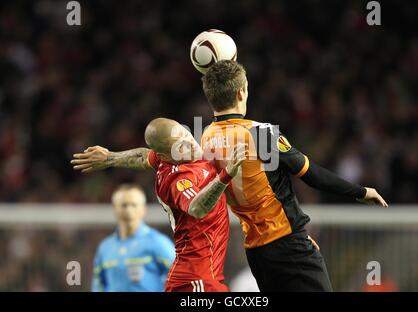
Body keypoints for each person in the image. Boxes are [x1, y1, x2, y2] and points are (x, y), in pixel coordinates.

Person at [200, 60, 389, 292]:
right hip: (286, 241)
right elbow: (311, 175)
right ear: (241, 92)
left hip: (257, 251)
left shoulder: (206, 138)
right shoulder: (259, 133)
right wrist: (361, 191)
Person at [72, 118, 246, 292]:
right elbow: (197, 208)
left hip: (200, 276)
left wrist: (110, 158)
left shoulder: (173, 156)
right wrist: (226, 175)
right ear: (167, 156)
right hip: (196, 280)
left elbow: (143, 156)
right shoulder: (177, 180)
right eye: (180, 146)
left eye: (186, 134)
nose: (190, 144)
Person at [91, 184, 175, 292]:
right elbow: (98, 286)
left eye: (134, 205)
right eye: (124, 205)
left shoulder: (158, 243)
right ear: (114, 208)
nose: (129, 210)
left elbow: (181, 278)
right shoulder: (105, 248)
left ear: (143, 209)